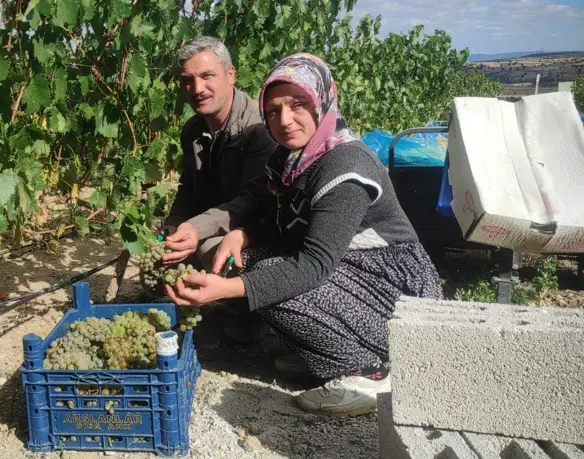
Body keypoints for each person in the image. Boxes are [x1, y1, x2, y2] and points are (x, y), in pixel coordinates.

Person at [165, 53, 443, 417]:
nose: (285, 120)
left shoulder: (346, 167)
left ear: (323, 101)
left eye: (299, 105)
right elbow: (284, 220)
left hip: (399, 294)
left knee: (268, 283)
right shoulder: (291, 158)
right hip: (355, 273)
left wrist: (227, 291)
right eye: (274, 110)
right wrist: (242, 235)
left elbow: (311, 266)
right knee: (252, 264)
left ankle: (368, 372)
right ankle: (331, 350)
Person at [160, 36, 277, 272]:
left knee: (210, 249)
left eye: (207, 76)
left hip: (262, 228)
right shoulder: (192, 130)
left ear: (231, 75)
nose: (197, 89)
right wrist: (173, 224)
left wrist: (196, 228)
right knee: (169, 249)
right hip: (223, 219)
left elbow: (252, 201)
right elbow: (188, 187)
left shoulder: (260, 129)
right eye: (187, 80)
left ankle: (240, 304)